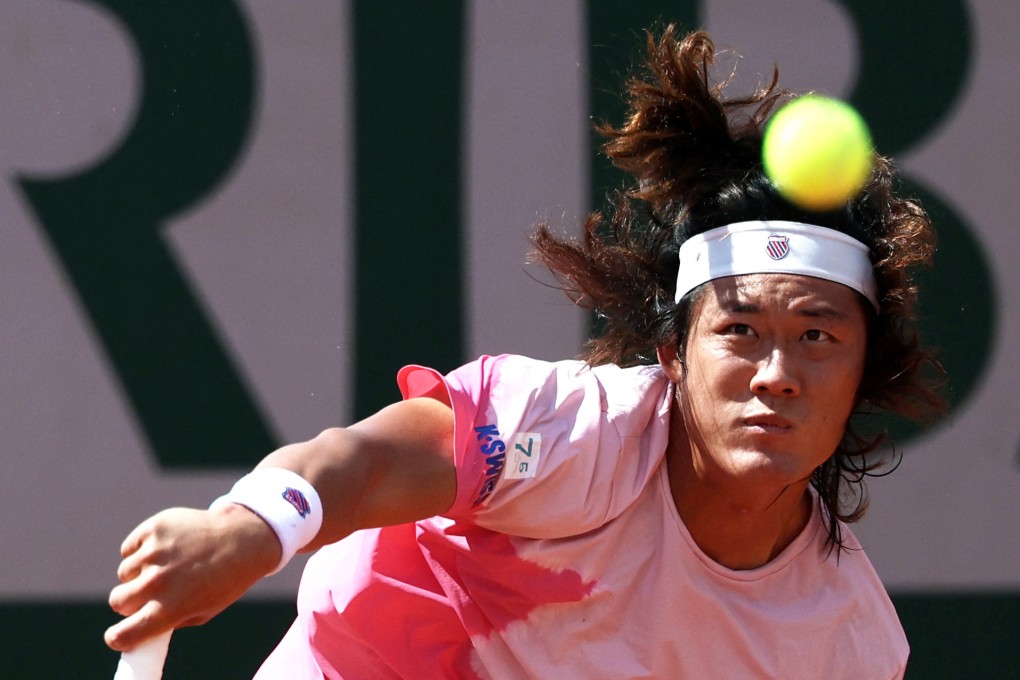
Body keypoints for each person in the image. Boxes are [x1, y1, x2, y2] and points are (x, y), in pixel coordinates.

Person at [106, 26, 943, 678]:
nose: (776, 375)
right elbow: (359, 465)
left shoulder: (849, 647)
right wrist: (246, 532)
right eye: (738, 330)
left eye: (817, 337)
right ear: (673, 358)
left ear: (863, 371)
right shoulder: (575, 434)